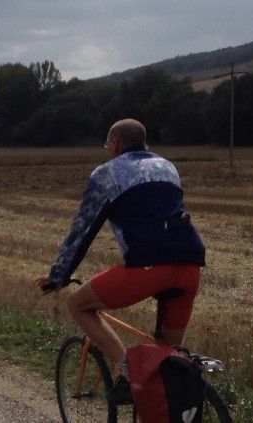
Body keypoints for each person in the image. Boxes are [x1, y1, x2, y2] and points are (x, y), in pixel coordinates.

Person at [35, 118, 207, 402]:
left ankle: (129, 372)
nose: (106, 150)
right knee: (166, 360)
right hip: (190, 267)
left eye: (107, 144)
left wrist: (59, 276)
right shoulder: (168, 167)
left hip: (148, 267)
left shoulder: (108, 174)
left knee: (78, 304)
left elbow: (82, 230)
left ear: (115, 143)